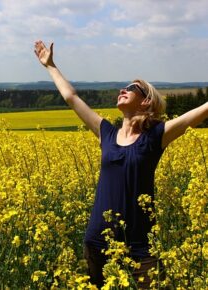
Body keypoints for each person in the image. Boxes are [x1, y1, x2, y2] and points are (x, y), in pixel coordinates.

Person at [34, 40, 208, 288]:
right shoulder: (106, 132)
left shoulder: (156, 136)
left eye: (131, 87)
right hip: (98, 242)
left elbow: (200, 112)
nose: (122, 89)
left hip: (140, 246)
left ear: (146, 101)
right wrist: (50, 65)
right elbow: (71, 97)